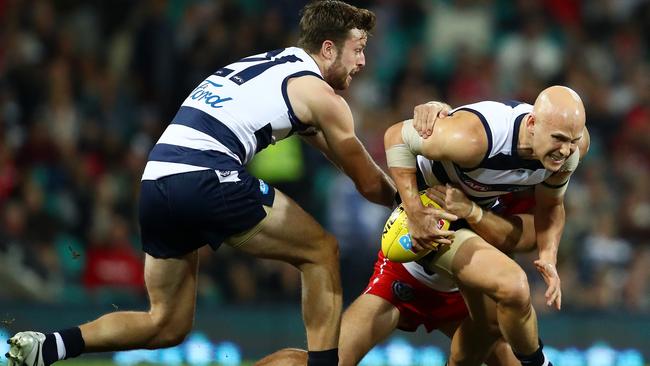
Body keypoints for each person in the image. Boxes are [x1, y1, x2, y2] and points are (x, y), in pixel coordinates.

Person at [6, 2, 449, 366]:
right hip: (206, 175)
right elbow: (367, 181)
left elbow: (338, 157)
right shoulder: (321, 96)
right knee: (321, 252)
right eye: (357, 49)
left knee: (166, 324)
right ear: (328, 48)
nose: (363, 62)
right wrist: (410, 200)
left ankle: (51, 346)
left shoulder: (268, 66)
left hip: (156, 180)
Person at [383, 86, 589, 365]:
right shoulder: (475, 138)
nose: (565, 150)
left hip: (473, 209)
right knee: (514, 285)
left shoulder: (568, 151)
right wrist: (415, 211)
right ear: (531, 124)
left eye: (573, 141)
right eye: (559, 139)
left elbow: (551, 205)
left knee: (491, 324)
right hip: (433, 212)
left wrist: (548, 257)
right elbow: (396, 136)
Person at [255, 184, 539, 366]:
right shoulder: (473, 145)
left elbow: (526, 238)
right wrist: (431, 113)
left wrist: (474, 212)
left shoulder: (541, 189)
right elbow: (400, 139)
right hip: (404, 276)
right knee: (329, 361)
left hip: (464, 294)